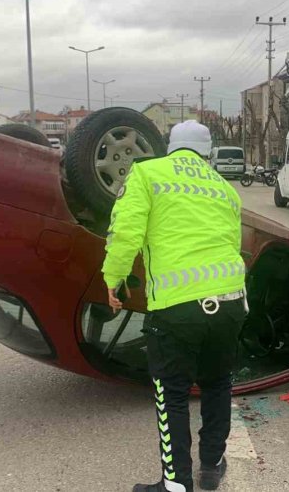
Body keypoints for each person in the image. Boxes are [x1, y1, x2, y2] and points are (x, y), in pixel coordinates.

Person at [102, 120, 246, 492]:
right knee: (217, 384)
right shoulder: (224, 188)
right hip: (230, 301)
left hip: (177, 306)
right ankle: (212, 467)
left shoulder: (148, 173)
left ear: (171, 146)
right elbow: (233, 241)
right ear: (207, 151)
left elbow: (125, 230)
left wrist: (112, 278)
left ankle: (176, 484)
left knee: (172, 393)